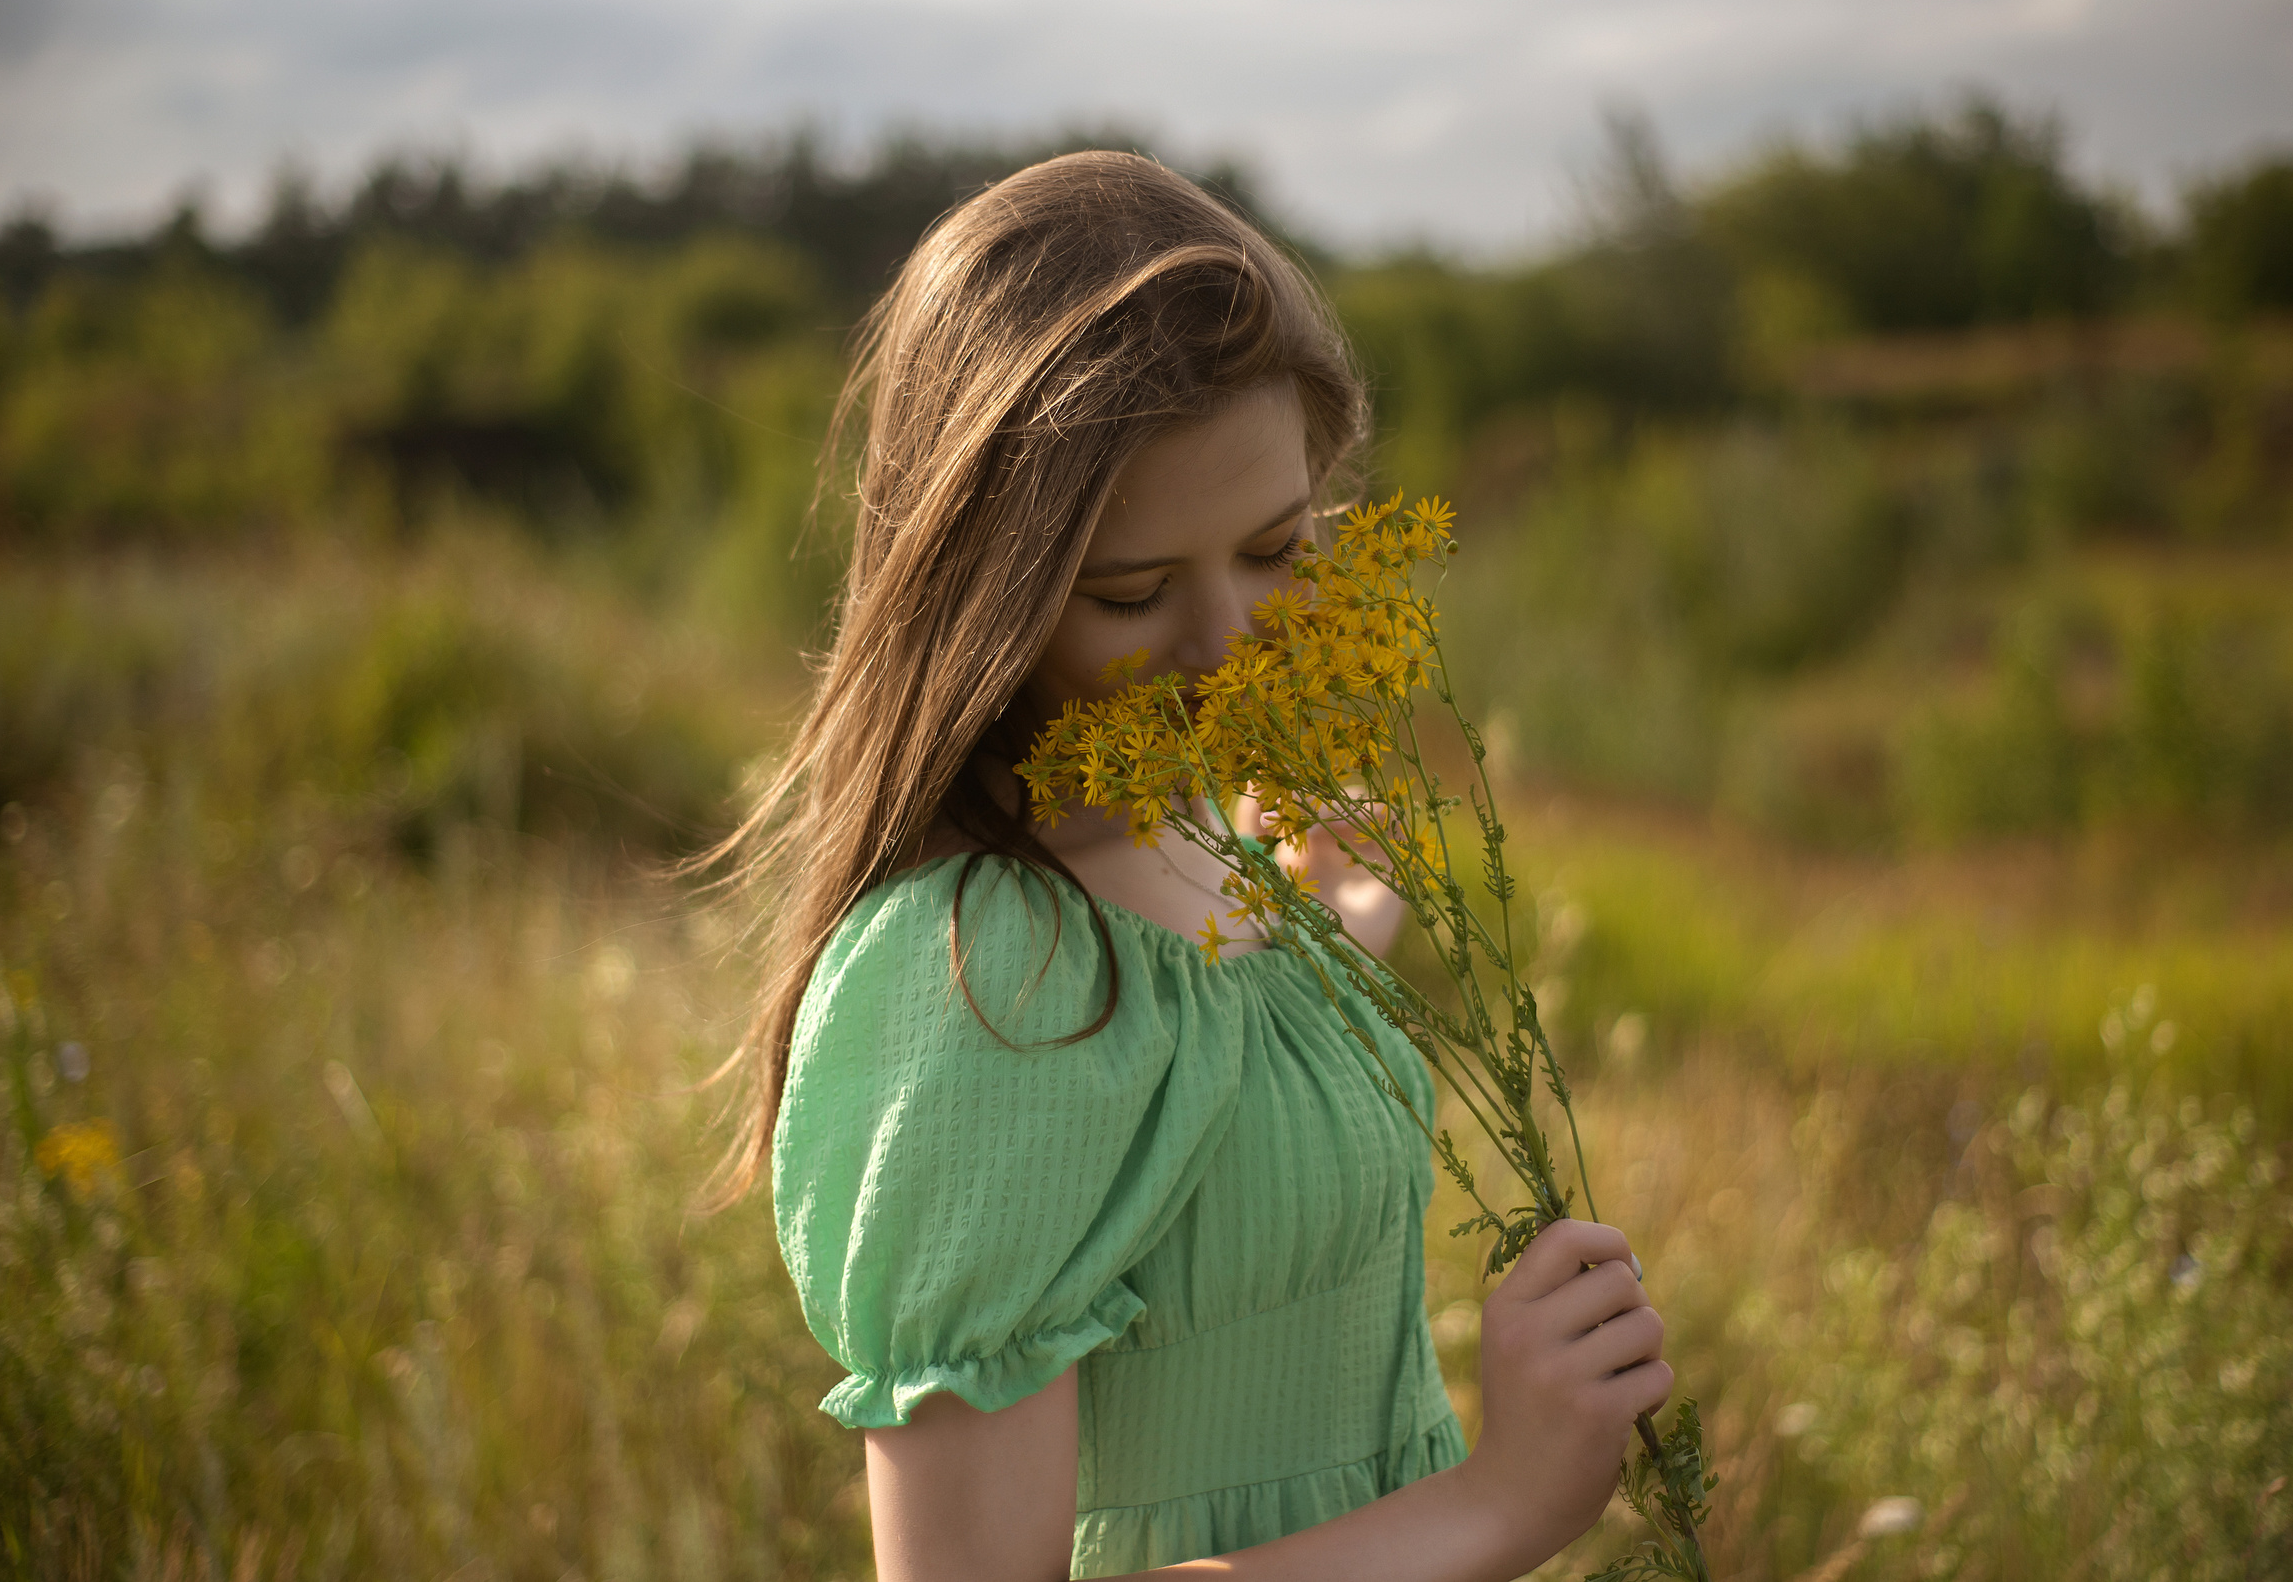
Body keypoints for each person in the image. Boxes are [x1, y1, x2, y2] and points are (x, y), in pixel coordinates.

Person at [712, 150, 1673, 1580]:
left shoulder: (1187, 826)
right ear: (985, 590)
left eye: (1278, 548)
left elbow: (1181, 1113)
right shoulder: (977, 977)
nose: (1228, 644)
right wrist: (1502, 1502)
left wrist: (1324, 937)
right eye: (1132, 590)